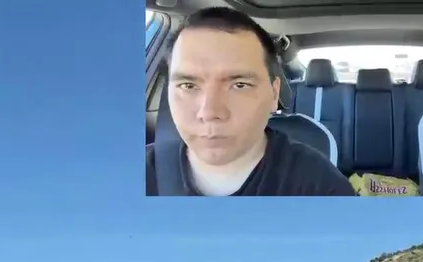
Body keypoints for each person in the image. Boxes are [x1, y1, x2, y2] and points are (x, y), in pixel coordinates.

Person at [146, 7, 355, 196]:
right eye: (188, 85)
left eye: (240, 85)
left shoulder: (321, 186)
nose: (209, 112)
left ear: (274, 94)